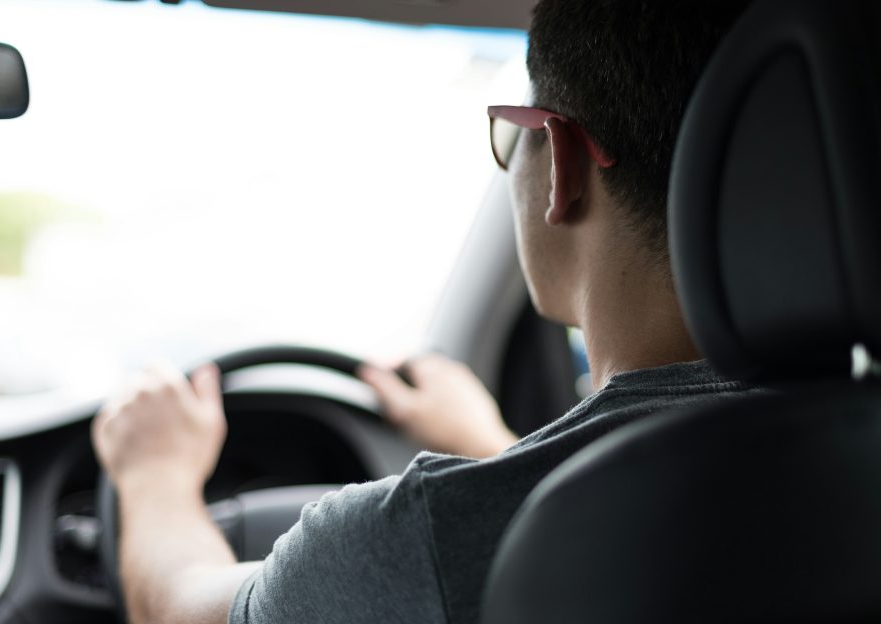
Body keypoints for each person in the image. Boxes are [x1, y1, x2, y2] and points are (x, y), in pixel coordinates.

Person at [90, 1, 753, 623]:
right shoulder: (842, 442)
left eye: (510, 134)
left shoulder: (427, 530)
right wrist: (494, 446)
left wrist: (155, 474)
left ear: (563, 165)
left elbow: (176, 607)